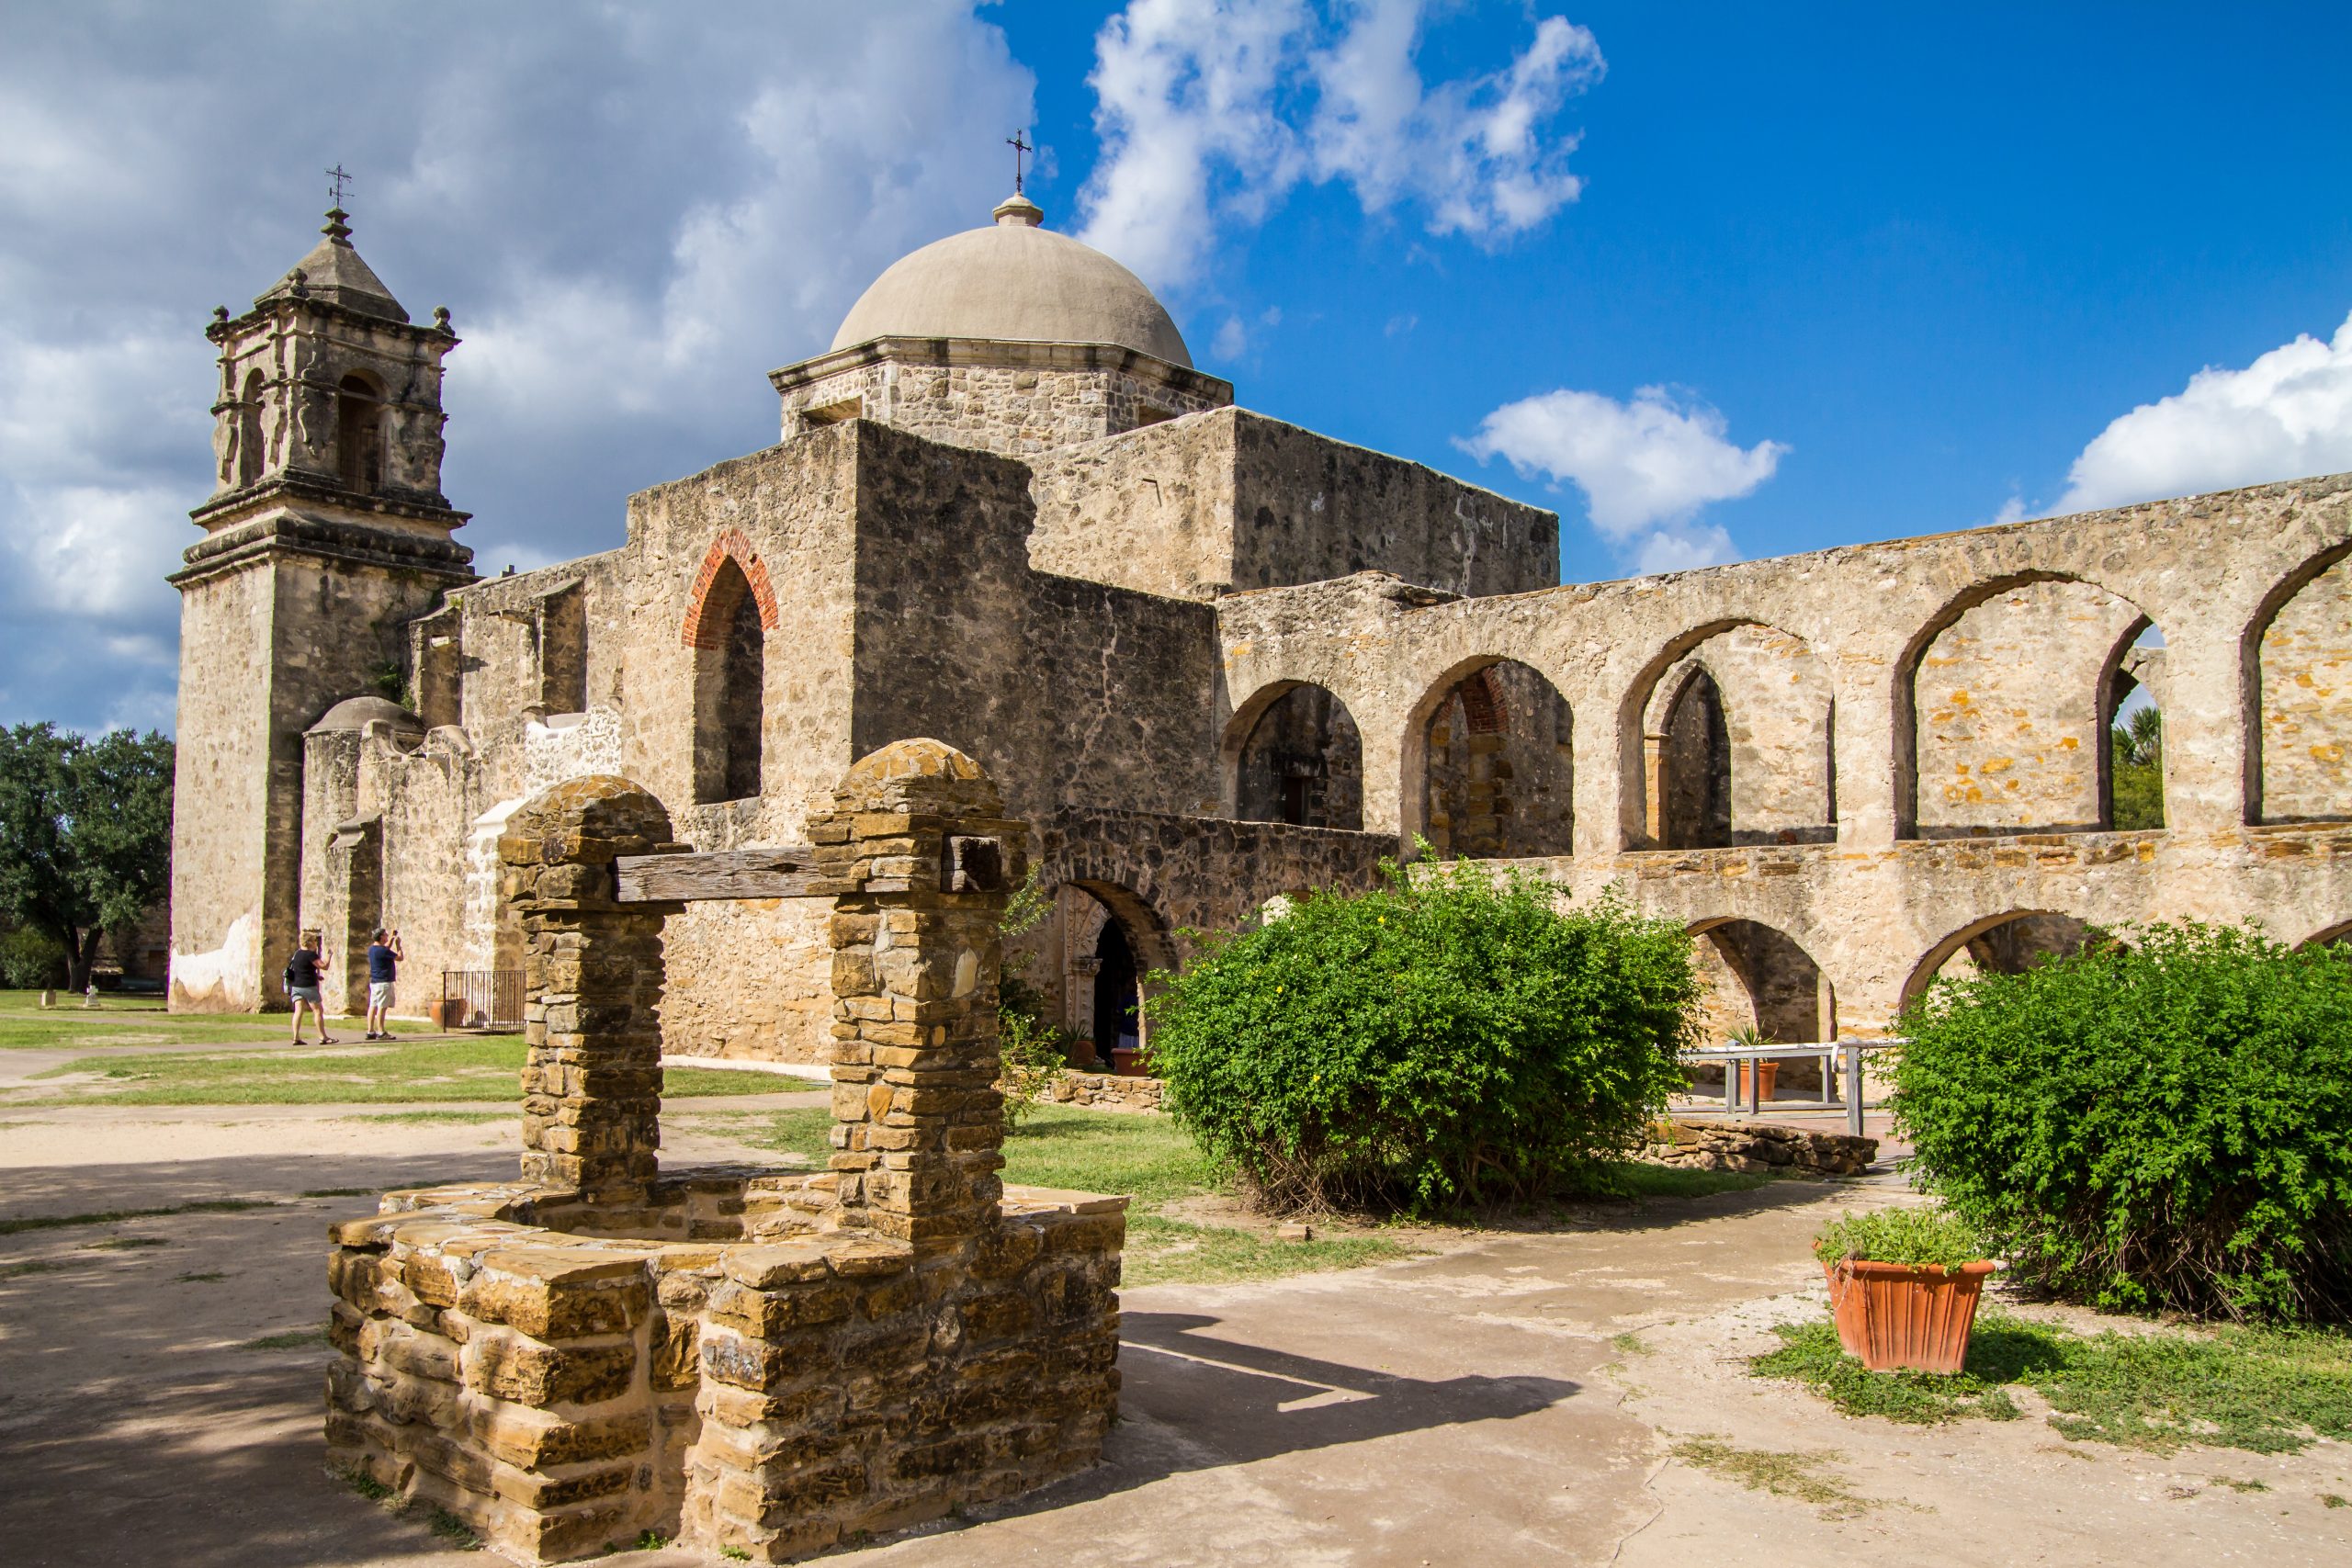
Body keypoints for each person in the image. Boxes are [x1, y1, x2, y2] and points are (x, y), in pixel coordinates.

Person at [286, 933, 334, 1044]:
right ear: (310, 942)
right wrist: (329, 956)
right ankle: (323, 1037)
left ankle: (296, 1037)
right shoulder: (311, 955)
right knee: (318, 1011)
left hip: (296, 986)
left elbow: (302, 969)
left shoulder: (297, 954)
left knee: (298, 1011)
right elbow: (324, 966)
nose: (316, 943)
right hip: (308, 986)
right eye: (315, 941)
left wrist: (316, 976)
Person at [364, 928, 403, 1041]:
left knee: (373, 1006)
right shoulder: (383, 951)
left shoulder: (372, 949)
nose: (386, 937)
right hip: (384, 982)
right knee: (382, 1007)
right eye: (385, 935)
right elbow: (400, 958)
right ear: (381, 937)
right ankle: (381, 1031)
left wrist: (391, 938)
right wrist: (398, 945)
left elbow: (385, 948)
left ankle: (370, 1031)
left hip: (375, 982)